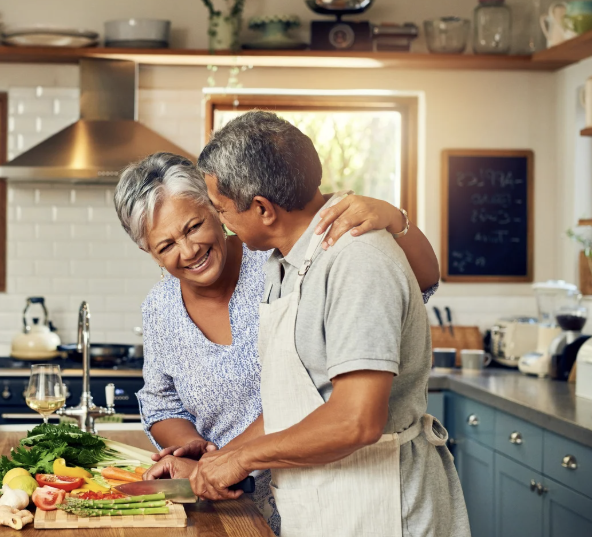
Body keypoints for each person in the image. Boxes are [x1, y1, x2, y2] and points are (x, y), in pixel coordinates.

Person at [114, 151, 441, 534]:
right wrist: (206, 455)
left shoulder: (277, 258)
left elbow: (417, 279)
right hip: (225, 492)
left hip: (330, 482)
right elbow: (161, 401)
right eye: (165, 246)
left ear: (216, 208)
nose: (188, 251)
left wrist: (394, 219)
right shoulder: (159, 307)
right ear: (148, 253)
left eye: (193, 227)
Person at [189, 111, 469, 536]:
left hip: (384, 511)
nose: (223, 223)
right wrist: (217, 461)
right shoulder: (284, 262)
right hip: (329, 504)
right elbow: (299, 407)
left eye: (223, 209)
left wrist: (244, 459)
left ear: (263, 209)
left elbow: (355, 420)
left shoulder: (357, 259)